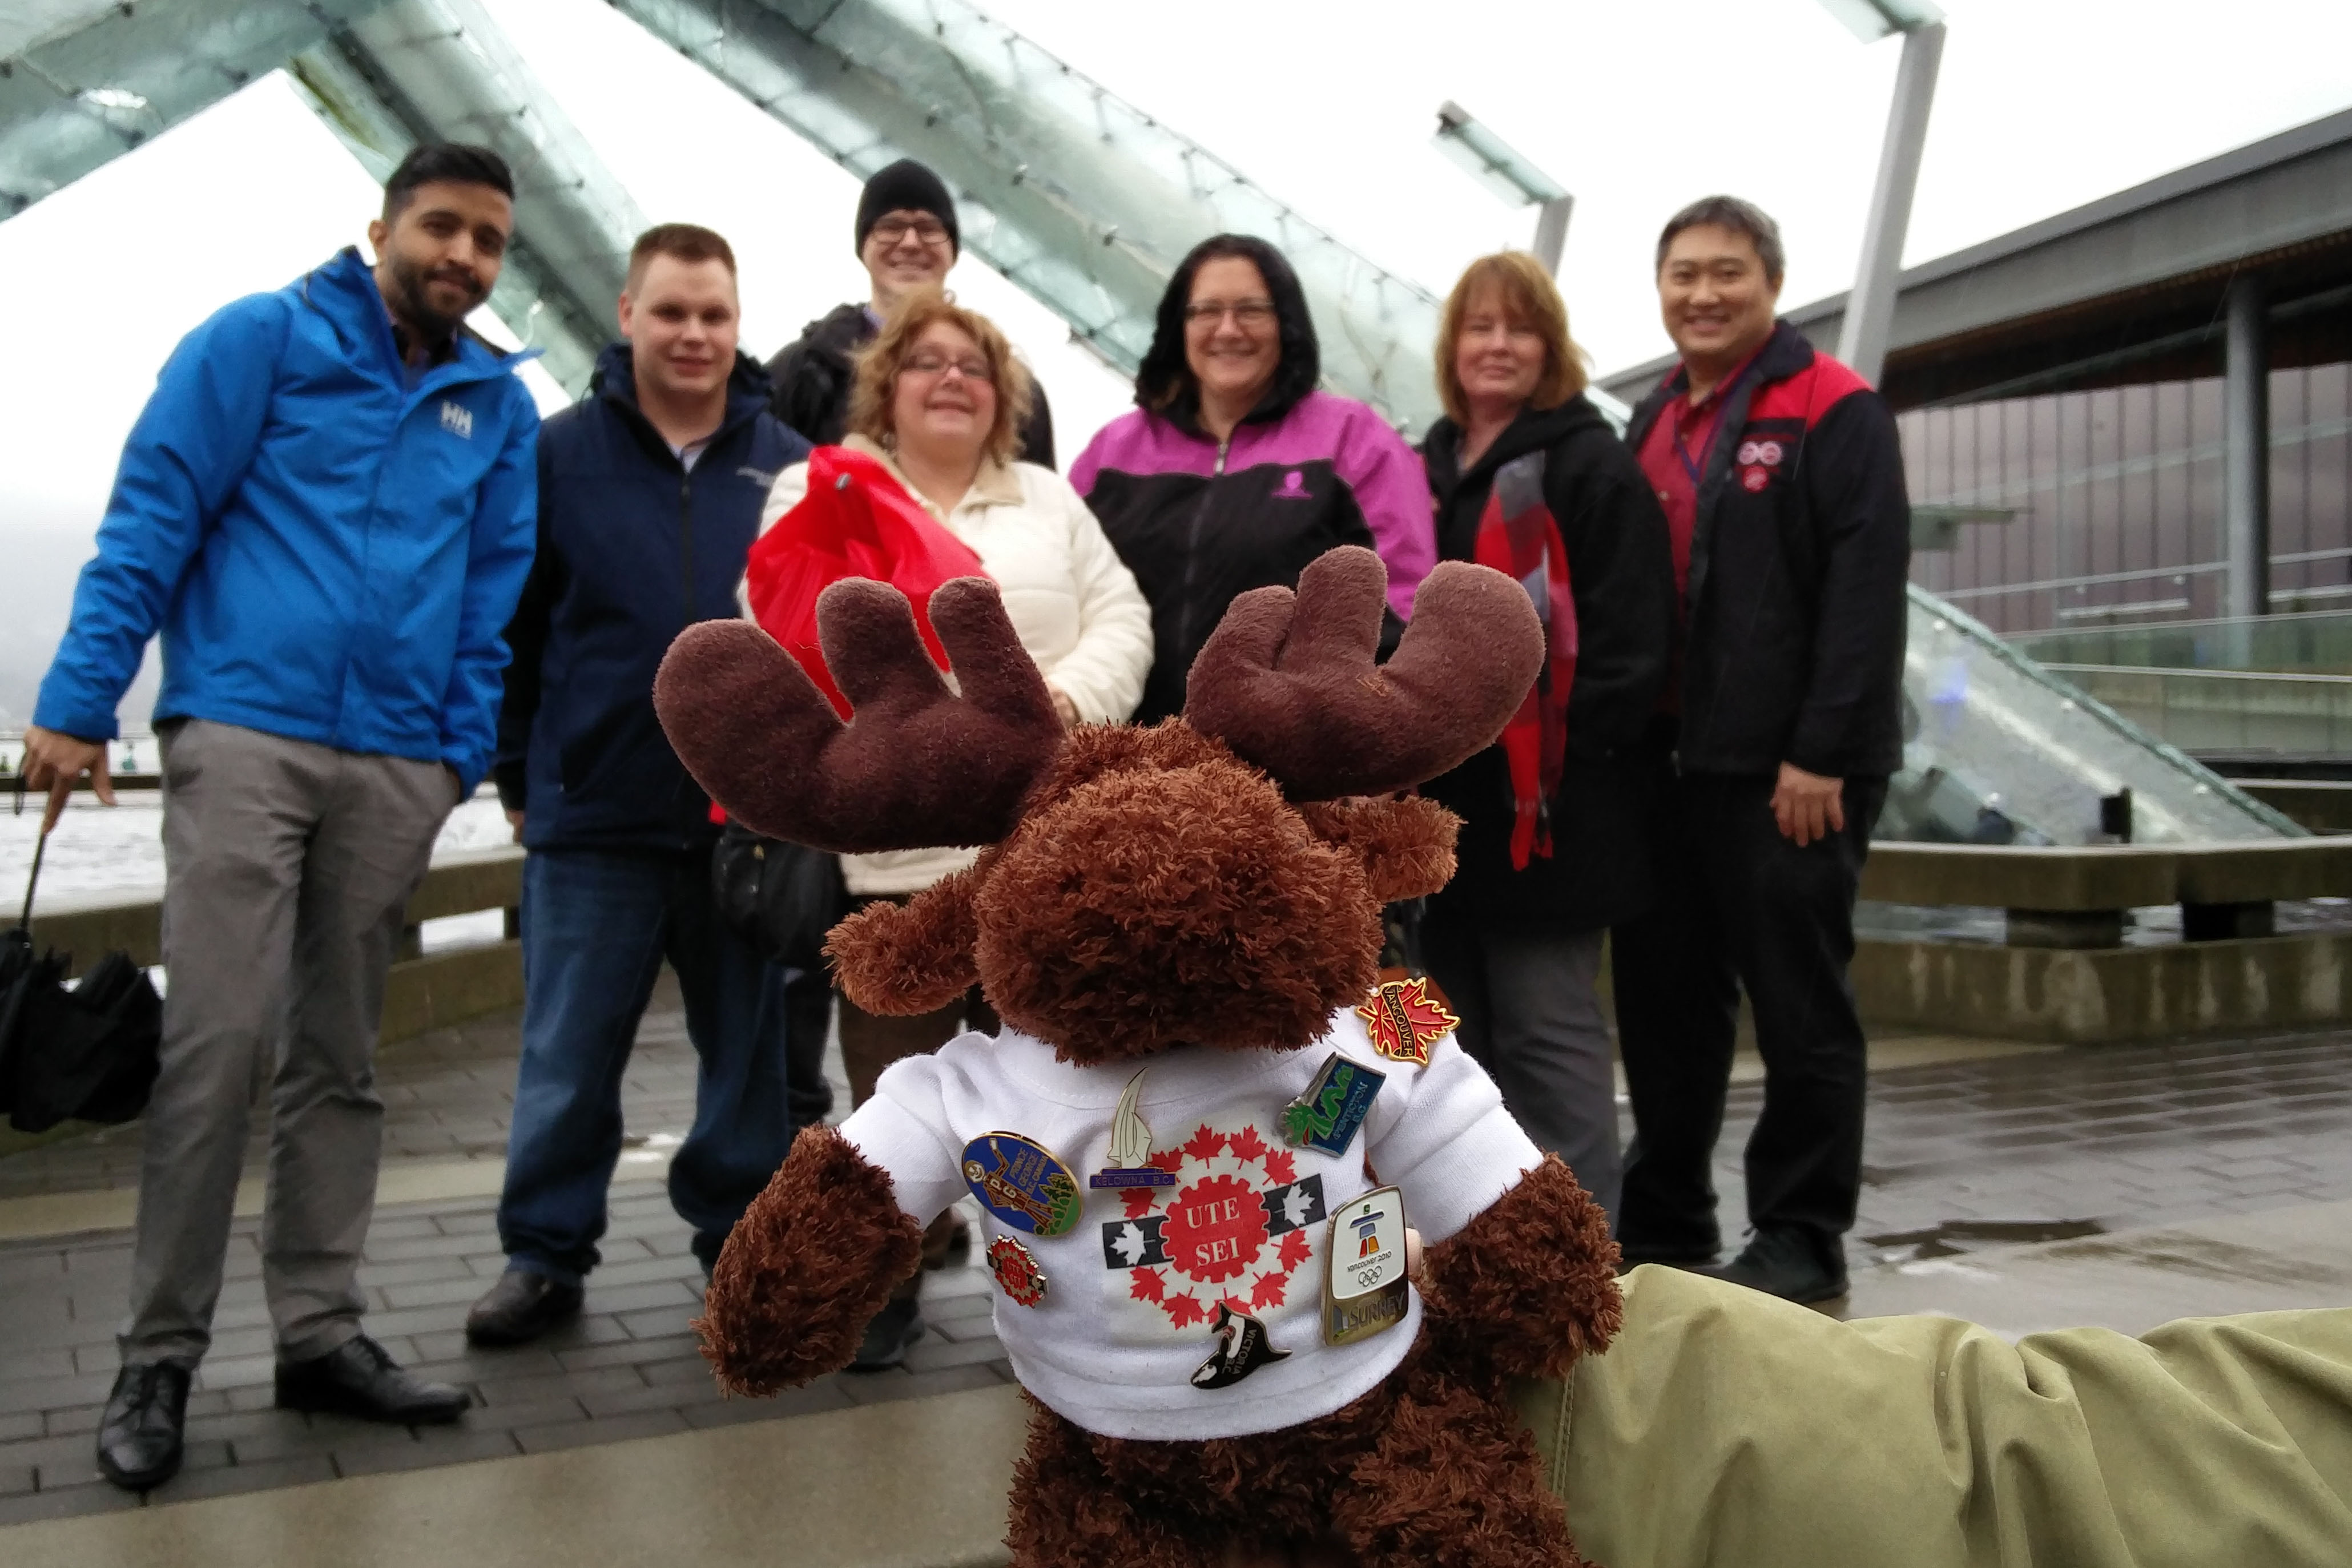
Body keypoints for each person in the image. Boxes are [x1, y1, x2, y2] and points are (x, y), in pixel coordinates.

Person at [19, 144, 541, 1492]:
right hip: (245, 730)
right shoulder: (259, 337)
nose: (463, 257)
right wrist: (80, 702)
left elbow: (493, 597)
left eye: (488, 240)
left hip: (391, 767)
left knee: (340, 1061)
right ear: (378, 227)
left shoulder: (496, 407)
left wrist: (449, 755)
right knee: (216, 1045)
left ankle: (319, 1333)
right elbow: (153, 515)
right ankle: (157, 1356)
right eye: (442, 226)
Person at [751, 289, 1150, 1367]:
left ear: (1001, 392)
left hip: (1040, 838)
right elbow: (779, 617)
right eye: (924, 361)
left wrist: (1062, 709)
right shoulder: (825, 484)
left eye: (972, 363)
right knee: (894, 1081)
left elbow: (1123, 614)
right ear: (887, 386)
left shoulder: (1049, 500)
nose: (950, 378)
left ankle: (1059, 1280)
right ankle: (890, 1273)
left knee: (1055, 1079)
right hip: (901, 851)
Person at [463, 225, 815, 1346]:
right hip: (593, 815)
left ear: (736, 318)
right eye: (672, 311)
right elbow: (509, 629)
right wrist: (519, 771)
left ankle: (738, 1237)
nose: (695, 334)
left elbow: (822, 639)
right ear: (626, 313)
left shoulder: (795, 463)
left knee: (748, 1059)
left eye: (714, 312)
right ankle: (544, 1251)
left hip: (746, 820)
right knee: (566, 1055)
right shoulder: (554, 453)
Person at [1610, 196, 1912, 1303]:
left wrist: (1821, 752)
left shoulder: (1831, 408)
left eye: (1725, 272)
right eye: (1681, 272)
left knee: (1798, 1003)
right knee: (1665, 1002)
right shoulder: (1650, 419)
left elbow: (1863, 595)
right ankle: (1667, 1206)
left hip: (1791, 772)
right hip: (1670, 767)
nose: (1702, 293)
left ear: (1771, 283)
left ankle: (1799, 1227)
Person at [1415, 253, 1676, 1222]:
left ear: (1550, 348)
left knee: (1547, 1039)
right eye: (1478, 328)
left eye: (1518, 329)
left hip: (1553, 813)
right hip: (1446, 811)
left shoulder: (1589, 464)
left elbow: (1630, 640)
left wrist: (1555, 761)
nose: (1497, 346)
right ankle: (1482, 1244)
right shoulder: (1425, 467)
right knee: (1455, 1043)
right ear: (1453, 348)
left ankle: (1581, 1256)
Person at [1070, 233, 1437, 724]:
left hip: (1291, 758)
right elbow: (1058, 579)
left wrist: (1374, 734)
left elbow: (1406, 597)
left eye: (1251, 310)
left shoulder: (1353, 439)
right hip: (1122, 751)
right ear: (1179, 326)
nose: (1227, 329)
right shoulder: (1112, 452)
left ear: (1286, 323)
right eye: (1205, 311)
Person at [766, 158, 1056, 466]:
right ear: (863, 247)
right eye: (890, 227)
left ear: (953, 251)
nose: (910, 243)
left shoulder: (1012, 387)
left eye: (929, 228)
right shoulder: (803, 371)